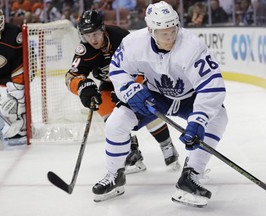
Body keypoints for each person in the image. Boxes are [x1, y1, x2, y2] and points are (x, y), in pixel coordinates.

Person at [92, 1, 228, 207]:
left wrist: (198, 120)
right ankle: (114, 176)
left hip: (188, 98)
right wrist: (130, 90)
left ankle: (191, 176)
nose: (170, 37)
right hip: (154, 95)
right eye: (164, 33)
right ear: (150, 30)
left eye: (173, 30)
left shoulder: (192, 46)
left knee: (219, 118)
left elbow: (212, 85)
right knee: (116, 122)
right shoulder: (134, 43)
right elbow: (118, 70)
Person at [65, 10, 180, 174]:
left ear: (103, 29)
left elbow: (143, 64)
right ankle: (132, 153)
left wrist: (130, 89)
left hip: (135, 80)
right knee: (111, 118)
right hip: (108, 85)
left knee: (147, 109)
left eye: (96, 33)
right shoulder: (84, 50)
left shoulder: (121, 38)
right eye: (87, 35)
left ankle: (167, 145)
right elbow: (72, 76)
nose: (93, 39)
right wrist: (83, 87)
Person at [0, 6, 27, 147]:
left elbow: (24, 59)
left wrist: (18, 87)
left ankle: (21, 125)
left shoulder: (13, 33)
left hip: (9, 77)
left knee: (11, 104)